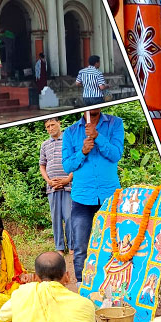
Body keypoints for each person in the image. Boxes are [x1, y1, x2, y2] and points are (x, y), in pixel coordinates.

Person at [62, 107, 124, 283]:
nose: (92, 106)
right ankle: (83, 286)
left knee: (114, 243)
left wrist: (98, 136)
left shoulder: (115, 124)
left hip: (110, 196)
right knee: (80, 245)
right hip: (82, 198)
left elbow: (116, 154)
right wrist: (82, 152)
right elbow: (67, 166)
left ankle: (114, 283)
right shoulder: (70, 132)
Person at [40, 118, 74, 254]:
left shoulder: (69, 140)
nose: (50, 128)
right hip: (52, 187)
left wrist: (68, 178)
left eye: (52, 124)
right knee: (55, 218)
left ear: (59, 123)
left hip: (68, 185)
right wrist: (48, 181)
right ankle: (59, 247)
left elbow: (76, 160)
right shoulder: (45, 144)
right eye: (47, 126)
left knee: (69, 216)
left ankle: (72, 246)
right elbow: (42, 165)